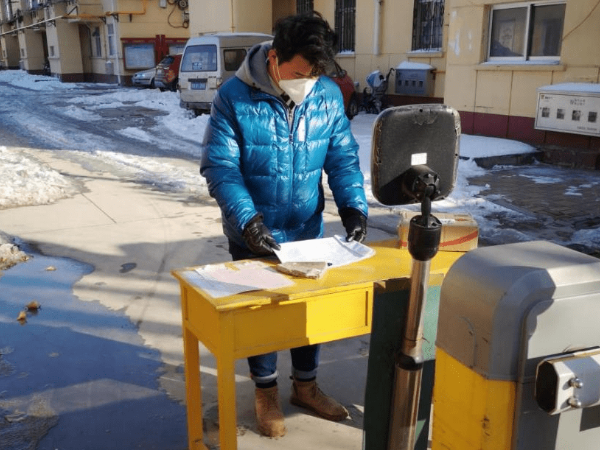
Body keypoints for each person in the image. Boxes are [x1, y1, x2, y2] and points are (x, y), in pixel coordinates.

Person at [200, 11, 368, 438]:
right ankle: (266, 393)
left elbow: (342, 157)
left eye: (315, 75)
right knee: (262, 318)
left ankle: (306, 387)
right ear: (274, 58)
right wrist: (247, 220)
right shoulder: (234, 97)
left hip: (306, 232)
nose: (306, 84)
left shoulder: (326, 95)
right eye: (299, 74)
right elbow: (220, 167)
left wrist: (354, 207)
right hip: (254, 231)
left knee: (308, 316)